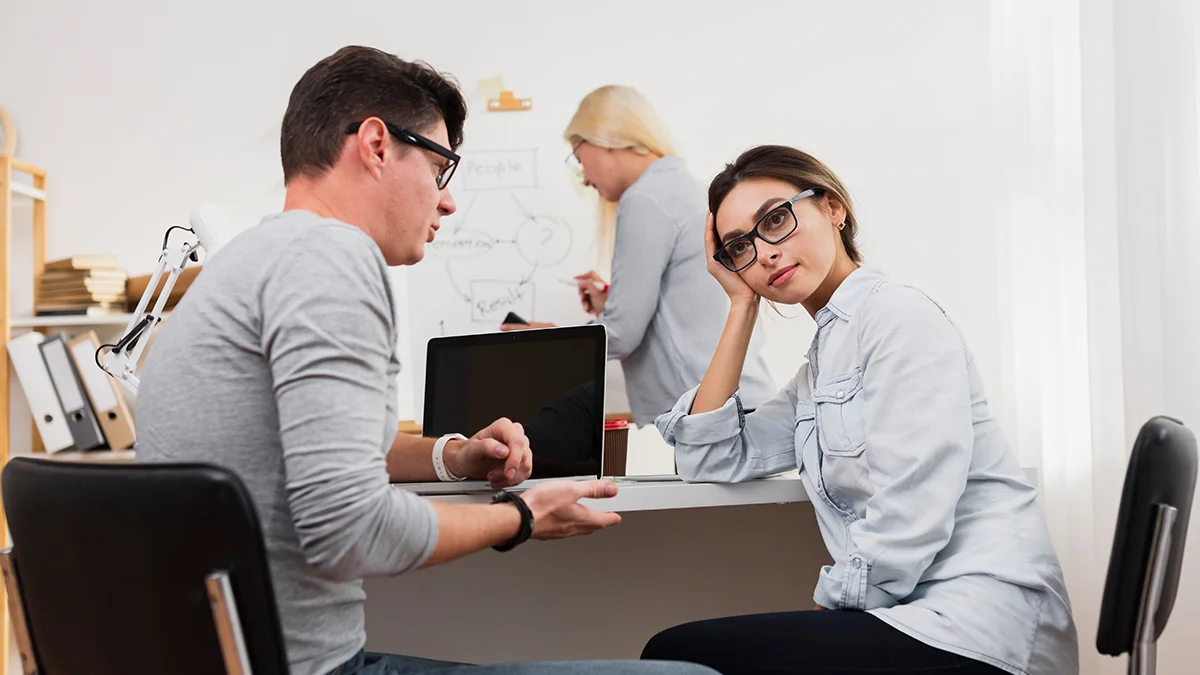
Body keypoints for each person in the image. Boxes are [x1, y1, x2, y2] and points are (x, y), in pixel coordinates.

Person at [134, 46, 714, 675]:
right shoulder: (333, 261)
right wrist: (519, 518)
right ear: (377, 146)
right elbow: (349, 527)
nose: (447, 202)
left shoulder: (240, 267)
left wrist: (452, 455)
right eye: (440, 171)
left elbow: (327, 448)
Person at [640, 145, 1079, 675]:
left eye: (775, 220)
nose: (765, 253)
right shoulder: (823, 362)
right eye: (740, 247)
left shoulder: (897, 317)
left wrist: (829, 612)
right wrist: (739, 306)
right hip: (914, 613)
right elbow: (708, 459)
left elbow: (908, 519)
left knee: (679, 655)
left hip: (982, 624)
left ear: (832, 208)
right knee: (679, 653)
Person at [500, 86, 775, 426]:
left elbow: (622, 334)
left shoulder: (645, 199)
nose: (584, 177)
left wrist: (551, 339)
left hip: (708, 415)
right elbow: (682, 313)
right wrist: (614, 304)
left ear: (605, 140)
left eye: (578, 157)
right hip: (737, 405)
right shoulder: (682, 187)